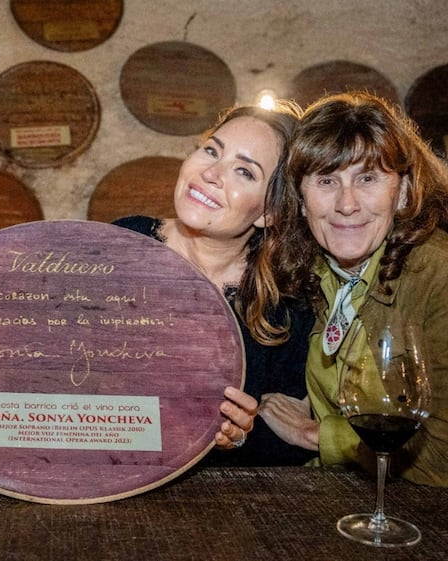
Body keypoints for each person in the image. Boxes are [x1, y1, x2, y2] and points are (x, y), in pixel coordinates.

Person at [258, 91, 448, 486]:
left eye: (368, 178)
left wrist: (316, 435)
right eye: (326, 180)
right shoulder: (320, 271)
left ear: (404, 191)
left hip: (441, 519)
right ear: (301, 201)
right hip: (335, 498)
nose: (347, 203)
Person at [112, 101, 317, 466]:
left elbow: (291, 438)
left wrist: (241, 437)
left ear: (269, 212)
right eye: (211, 151)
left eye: (244, 172)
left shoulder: (284, 304)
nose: (211, 173)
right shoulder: (121, 244)